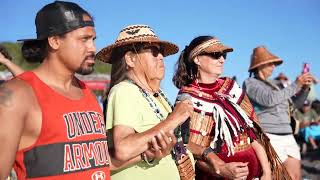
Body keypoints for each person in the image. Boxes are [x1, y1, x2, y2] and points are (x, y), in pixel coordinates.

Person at [0, 1, 113, 179]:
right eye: (84, 39)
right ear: (54, 41)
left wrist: (147, 153)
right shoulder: (16, 95)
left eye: (93, 40)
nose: (93, 48)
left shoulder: (87, 93)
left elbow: (98, 163)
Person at [172, 36, 283, 180]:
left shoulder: (232, 88)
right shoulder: (187, 98)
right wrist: (220, 170)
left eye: (223, 55)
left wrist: (267, 172)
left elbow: (253, 134)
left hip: (256, 174)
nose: (222, 60)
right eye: (215, 55)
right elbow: (188, 148)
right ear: (197, 59)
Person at [96, 24, 194, 180]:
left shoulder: (159, 94)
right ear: (130, 59)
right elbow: (124, 149)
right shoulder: (124, 91)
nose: (161, 57)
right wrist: (174, 119)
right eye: (154, 52)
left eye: (161, 52)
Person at [243, 46, 314, 180]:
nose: (273, 67)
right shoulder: (250, 83)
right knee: (276, 176)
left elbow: (292, 107)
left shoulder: (277, 84)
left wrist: (305, 89)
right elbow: (268, 100)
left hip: (287, 134)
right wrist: (296, 85)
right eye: (270, 64)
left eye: (274, 64)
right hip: (269, 135)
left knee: (295, 176)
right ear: (260, 65)